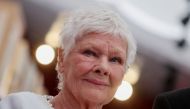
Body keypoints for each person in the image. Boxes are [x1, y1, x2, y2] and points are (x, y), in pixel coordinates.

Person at [0, 7, 137, 109]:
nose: (103, 68)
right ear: (61, 58)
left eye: (115, 60)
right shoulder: (21, 105)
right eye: (90, 53)